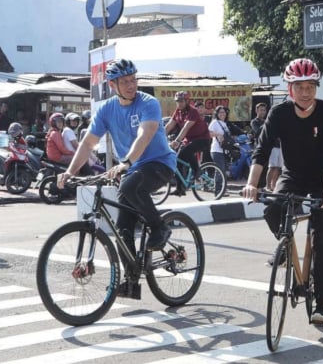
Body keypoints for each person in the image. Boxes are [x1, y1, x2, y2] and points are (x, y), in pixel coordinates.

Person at [57, 59, 176, 299]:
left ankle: (160, 227)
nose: (132, 85)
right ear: (113, 85)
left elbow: (145, 133)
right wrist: (70, 171)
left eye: (133, 80)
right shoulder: (106, 110)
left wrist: (126, 163)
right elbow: (89, 142)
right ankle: (131, 279)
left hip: (159, 164)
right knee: (123, 227)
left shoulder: (148, 103)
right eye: (125, 82)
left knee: (130, 186)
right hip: (131, 169)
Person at [241, 58, 323, 325]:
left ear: (316, 87)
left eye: (310, 86)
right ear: (290, 89)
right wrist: (252, 183)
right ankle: (285, 246)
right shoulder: (279, 113)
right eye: (299, 87)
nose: (305, 92)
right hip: (293, 175)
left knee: (320, 233)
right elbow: (261, 150)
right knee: (272, 208)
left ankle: (321, 303)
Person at [165, 91, 212, 195]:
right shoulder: (178, 111)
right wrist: (158, 137)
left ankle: (197, 171)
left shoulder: (193, 111)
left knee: (185, 152)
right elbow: (169, 125)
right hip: (189, 140)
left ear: (187, 101)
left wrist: (177, 141)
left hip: (202, 139)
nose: (179, 104)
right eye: (177, 101)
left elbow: (186, 127)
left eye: (181, 101)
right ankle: (180, 189)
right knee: (176, 162)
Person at [208, 105, 232, 196]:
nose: (223, 114)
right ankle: (217, 190)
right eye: (220, 112)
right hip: (216, 150)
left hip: (224, 150)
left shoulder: (224, 123)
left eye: (224, 112)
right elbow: (208, 133)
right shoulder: (215, 122)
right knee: (219, 170)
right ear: (217, 114)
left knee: (224, 170)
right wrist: (218, 134)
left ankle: (222, 189)